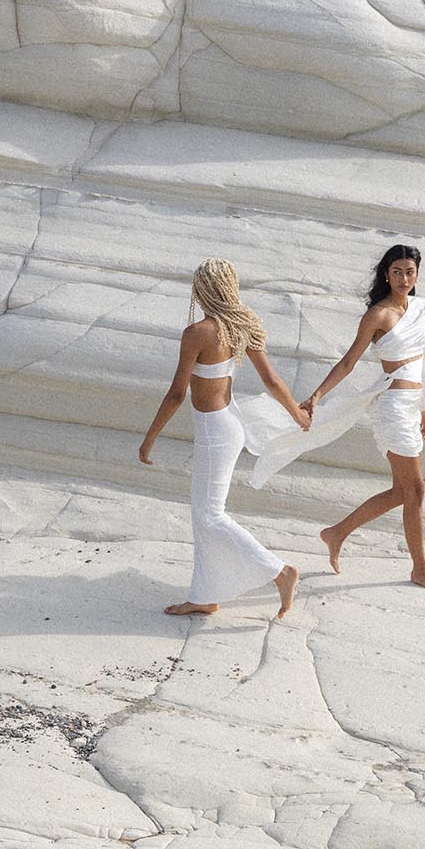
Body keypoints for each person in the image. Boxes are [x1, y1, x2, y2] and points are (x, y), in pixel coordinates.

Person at [244, 243, 425, 593]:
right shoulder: (377, 315)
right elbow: (347, 363)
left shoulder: (421, 307)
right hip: (392, 408)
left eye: (410, 272)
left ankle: (337, 532)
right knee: (415, 491)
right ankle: (419, 568)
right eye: (397, 271)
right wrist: (316, 396)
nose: (404, 278)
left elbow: (422, 358)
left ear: (417, 275)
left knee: (404, 491)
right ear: (386, 274)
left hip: (413, 403)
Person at [139, 258, 306, 619]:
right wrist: (298, 415)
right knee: (203, 515)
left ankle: (279, 570)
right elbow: (272, 381)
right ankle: (205, 595)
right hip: (228, 425)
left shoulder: (198, 332)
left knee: (211, 515)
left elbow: (176, 394)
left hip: (216, 431)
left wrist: (149, 439)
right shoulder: (239, 326)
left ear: (202, 289)